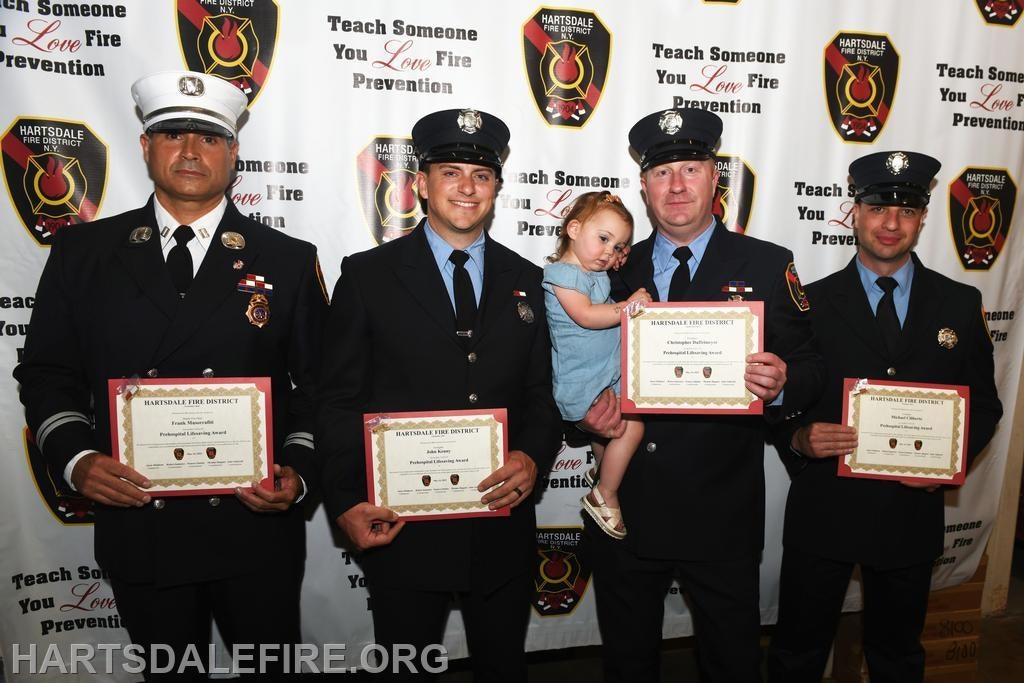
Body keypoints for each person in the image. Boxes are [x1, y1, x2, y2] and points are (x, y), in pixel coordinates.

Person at [13, 70, 328, 679]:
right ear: (145, 147)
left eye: (209, 138)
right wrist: (77, 459)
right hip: (141, 522)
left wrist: (300, 470)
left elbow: (318, 387)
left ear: (233, 153)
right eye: (172, 134)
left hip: (253, 527)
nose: (190, 151)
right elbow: (47, 372)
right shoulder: (84, 254)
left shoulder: (287, 260)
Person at [578, 107, 824, 681]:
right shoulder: (609, 267)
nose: (678, 186)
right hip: (626, 507)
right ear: (643, 185)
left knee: (731, 662)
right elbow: (569, 363)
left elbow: (811, 365)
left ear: (717, 178)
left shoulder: (766, 264)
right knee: (628, 662)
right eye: (663, 173)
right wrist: (585, 417)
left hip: (722, 512)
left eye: (691, 168)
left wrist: (784, 379)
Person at [318, 108, 562, 681]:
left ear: (497, 187)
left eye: (480, 175)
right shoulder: (367, 276)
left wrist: (531, 455)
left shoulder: (529, 278)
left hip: (500, 529)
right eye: (450, 172)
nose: (466, 187)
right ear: (422, 184)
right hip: (402, 531)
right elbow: (337, 400)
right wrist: (346, 500)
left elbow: (541, 395)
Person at [767, 151, 1002, 683]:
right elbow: (775, 395)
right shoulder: (809, 304)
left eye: (908, 209)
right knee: (797, 653)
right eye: (877, 207)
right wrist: (798, 438)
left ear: (923, 217)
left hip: (908, 513)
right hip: (825, 509)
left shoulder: (960, 304)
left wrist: (947, 461)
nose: (891, 223)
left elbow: (985, 405)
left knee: (898, 657)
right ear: (855, 213)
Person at [542, 191, 650, 539]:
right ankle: (605, 492)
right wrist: (628, 307)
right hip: (583, 379)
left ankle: (604, 476)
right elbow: (587, 316)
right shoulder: (563, 274)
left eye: (619, 246)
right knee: (632, 426)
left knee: (612, 430)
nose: (610, 252)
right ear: (573, 228)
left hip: (603, 371)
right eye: (603, 239)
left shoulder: (593, 273)